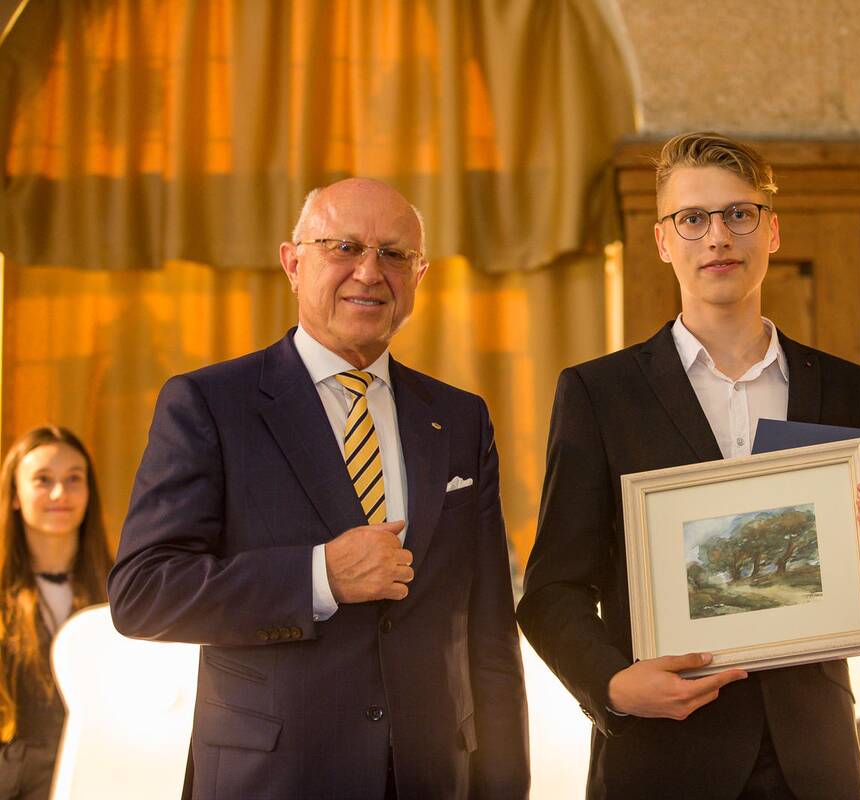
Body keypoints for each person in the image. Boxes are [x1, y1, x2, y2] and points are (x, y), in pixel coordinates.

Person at [517, 132, 860, 800]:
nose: (718, 237)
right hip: (662, 758)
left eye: (739, 214)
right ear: (663, 241)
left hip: (813, 763)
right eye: (692, 218)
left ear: (771, 231)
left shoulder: (845, 387)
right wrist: (612, 685)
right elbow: (552, 590)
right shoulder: (599, 394)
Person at [108, 178, 530, 800]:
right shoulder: (209, 404)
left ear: (419, 276)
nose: (370, 272)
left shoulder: (460, 418)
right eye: (344, 247)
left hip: (431, 778)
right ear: (292, 262)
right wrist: (319, 577)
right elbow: (143, 593)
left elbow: (490, 632)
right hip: (271, 780)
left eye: (394, 254)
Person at [0, 426, 112, 800]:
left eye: (74, 478)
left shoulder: (123, 591)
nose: (60, 493)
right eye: (43, 480)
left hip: (102, 784)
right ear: (15, 494)